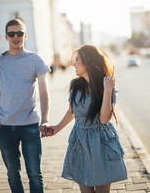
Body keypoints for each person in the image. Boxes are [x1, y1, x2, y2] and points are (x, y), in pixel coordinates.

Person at [39, 45, 127, 193]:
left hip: (102, 141)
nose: (73, 64)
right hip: (79, 140)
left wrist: (107, 90)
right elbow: (71, 112)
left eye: (77, 60)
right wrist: (56, 128)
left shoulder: (107, 85)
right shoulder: (75, 85)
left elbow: (104, 119)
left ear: (89, 62)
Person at [0, 18, 50, 193]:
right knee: (12, 174)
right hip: (4, 127)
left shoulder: (35, 60)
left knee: (35, 174)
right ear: (6, 37)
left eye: (19, 33)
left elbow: (44, 93)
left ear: (25, 36)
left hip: (30, 126)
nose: (16, 37)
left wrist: (45, 120)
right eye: (11, 34)